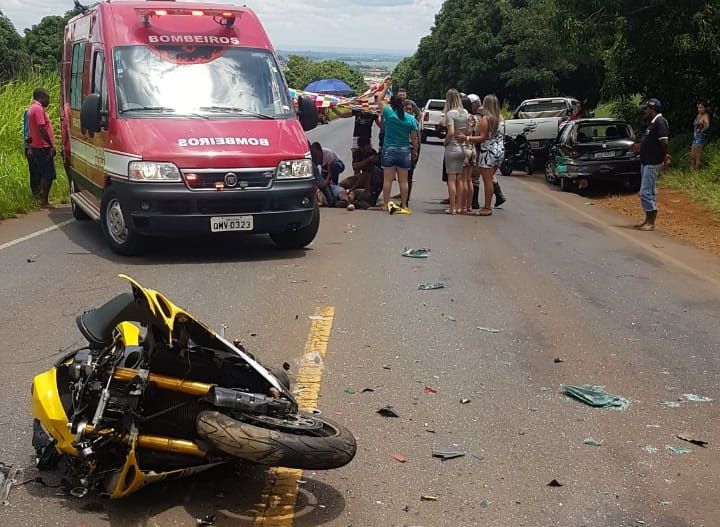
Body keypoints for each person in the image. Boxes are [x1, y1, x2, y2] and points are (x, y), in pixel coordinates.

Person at [376, 77, 418, 213]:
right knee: (403, 181)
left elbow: (379, 100)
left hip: (389, 150)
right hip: (404, 151)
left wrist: (386, 86)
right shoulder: (411, 119)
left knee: (387, 180)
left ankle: (385, 204)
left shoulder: (389, 114)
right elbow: (414, 138)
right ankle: (404, 205)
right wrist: (415, 150)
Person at [459, 94, 504, 216]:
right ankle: (487, 205)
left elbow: (482, 137)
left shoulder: (486, 119)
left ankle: (487, 207)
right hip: (499, 151)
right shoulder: (501, 118)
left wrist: (467, 137)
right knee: (490, 179)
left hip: (488, 152)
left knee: (487, 180)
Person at [636, 98, 670, 231]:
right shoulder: (653, 122)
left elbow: (664, 142)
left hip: (652, 162)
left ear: (652, 109)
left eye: (646, 109)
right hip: (646, 162)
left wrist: (665, 156)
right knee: (648, 191)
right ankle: (647, 219)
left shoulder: (660, 122)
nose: (645, 111)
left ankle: (651, 221)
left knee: (645, 192)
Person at [26, 88, 56, 208]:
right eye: (47, 98)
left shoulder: (31, 109)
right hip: (43, 146)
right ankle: (44, 201)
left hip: (36, 146)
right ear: (41, 97)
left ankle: (42, 199)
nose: (48, 100)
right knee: (48, 174)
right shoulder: (38, 109)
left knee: (43, 173)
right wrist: (51, 145)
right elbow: (41, 128)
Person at [443, 89, 469, 215]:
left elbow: (451, 132)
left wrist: (445, 142)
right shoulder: (465, 112)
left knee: (451, 180)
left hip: (452, 148)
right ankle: (459, 206)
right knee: (460, 179)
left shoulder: (450, 114)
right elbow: (468, 131)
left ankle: (452, 208)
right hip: (462, 147)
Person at [23, 107, 40, 198]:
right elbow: (27, 132)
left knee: (39, 172)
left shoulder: (40, 111)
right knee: (34, 172)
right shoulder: (29, 112)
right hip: (31, 147)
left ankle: (39, 194)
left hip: (38, 147)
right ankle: (36, 194)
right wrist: (29, 147)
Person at [691, 100, 710, 170]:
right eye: (698, 107)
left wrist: (701, 130)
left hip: (700, 136)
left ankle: (696, 172)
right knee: (692, 155)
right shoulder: (699, 115)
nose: (699, 109)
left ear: (704, 108)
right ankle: (692, 171)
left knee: (697, 156)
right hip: (695, 136)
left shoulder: (705, 115)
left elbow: (707, 125)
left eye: (701, 107)